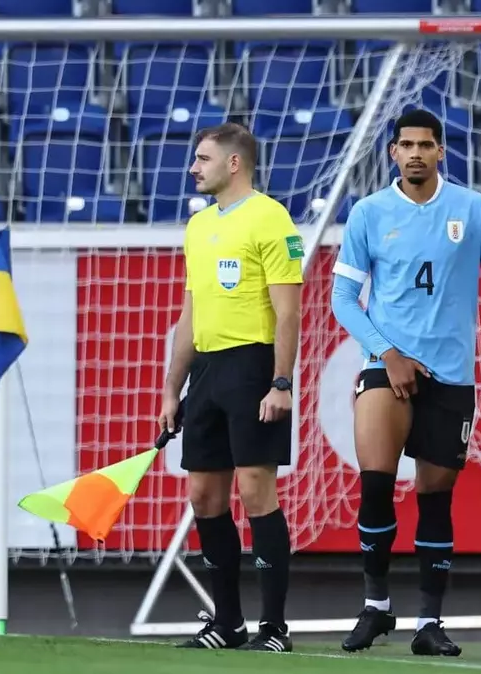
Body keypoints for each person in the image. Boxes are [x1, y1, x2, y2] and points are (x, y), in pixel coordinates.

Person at [329, 108, 481, 657]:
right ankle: (375, 608)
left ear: (441, 151)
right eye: (406, 144)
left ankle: (428, 622)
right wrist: (386, 352)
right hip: (385, 370)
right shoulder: (369, 213)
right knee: (375, 484)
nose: (415, 152)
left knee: (435, 497)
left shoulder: (473, 208)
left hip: (453, 376)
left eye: (425, 144)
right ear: (392, 152)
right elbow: (342, 298)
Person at [158, 122, 303, 653]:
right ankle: (228, 623)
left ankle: (274, 629)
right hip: (207, 373)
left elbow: (289, 311)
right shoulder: (198, 228)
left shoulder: (272, 218)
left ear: (234, 163)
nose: (193, 168)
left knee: (254, 489)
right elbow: (189, 312)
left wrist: (280, 381)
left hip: (252, 366)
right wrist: (173, 389)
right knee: (203, 495)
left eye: (201, 159)